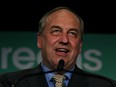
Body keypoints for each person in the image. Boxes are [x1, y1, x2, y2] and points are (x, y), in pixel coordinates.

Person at [0, 6, 116, 87]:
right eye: (56, 31)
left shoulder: (106, 85)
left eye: (72, 33)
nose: (64, 40)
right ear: (39, 40)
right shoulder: (10, 83)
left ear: (80, 46)